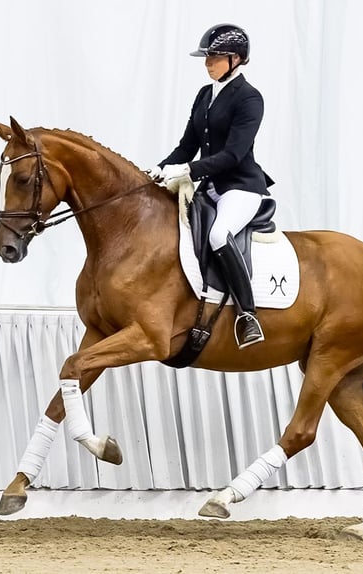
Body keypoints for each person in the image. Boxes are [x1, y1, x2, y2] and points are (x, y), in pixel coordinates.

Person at [151, 23, 274, 350]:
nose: (208, 63)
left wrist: (188, 170)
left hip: (240, 186)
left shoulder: (250, 98)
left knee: (220, 234)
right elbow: (186, 145)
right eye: (207, 57)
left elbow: (233, 154)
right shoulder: (205, 95)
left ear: (236, 59)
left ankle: (248, 315)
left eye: (215, 57)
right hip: (209, 184)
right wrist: (158, 170)